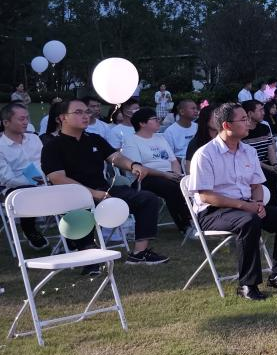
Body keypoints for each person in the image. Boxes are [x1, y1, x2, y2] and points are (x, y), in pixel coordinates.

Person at [190, 102, 277, 300]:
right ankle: (247, 284)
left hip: (246, 205)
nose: (248, 123)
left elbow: (256, 185)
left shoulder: (248, 151)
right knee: (249, 221)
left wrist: (258, 203)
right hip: (212, 211)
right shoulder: (205, 154)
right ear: (226, 126)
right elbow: (205, 195)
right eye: (243, 119)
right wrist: (247, 206)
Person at [42, 99, 169, 266]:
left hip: (104, 191)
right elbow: (58, 178)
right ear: (62, 118)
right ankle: (87, 252)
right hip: (73, 197)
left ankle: (139, 253)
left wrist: (133, 165)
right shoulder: (53, 146)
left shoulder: (94, 139)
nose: (85, 116)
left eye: (87, 112)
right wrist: (92, 194)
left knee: (147, 198)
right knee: (84, 205)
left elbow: (115, 157)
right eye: (78, 112)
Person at [120, 108, 190, 232]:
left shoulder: (160, 138)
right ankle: (186, 225)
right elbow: (138, 168)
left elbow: (173, 161)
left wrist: (177, 174)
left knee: (188, 183)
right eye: (154, 119)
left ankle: (196, 221)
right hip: (144, 178)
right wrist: (165, 175)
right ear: (142, 123)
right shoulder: (131, 140)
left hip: (169, 175)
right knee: (172, 187)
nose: (159, 121)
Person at [1, 102, 48, 248]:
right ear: (6, 122)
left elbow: (45, 162)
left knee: (67, 187)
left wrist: (43, 178)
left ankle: (72, 234)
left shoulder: (34, 139)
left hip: (42, 182)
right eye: (21, 119)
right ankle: (29, 228)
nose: (26, 122)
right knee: (29, 191)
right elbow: (6, 178)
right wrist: (36, 181)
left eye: (27, 118)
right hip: (13, 188)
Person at [241, 100, 277, 208]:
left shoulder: (264, 127)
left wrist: (274, 165)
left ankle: (275, 208)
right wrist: (269, 167)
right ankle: (263, 208)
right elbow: (248, 158)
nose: (263, 112)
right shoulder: (243, 132)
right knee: (266, 175)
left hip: (268, 164)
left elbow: (270, 148)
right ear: (249, 113)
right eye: (260, 110)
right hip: (251, 166)